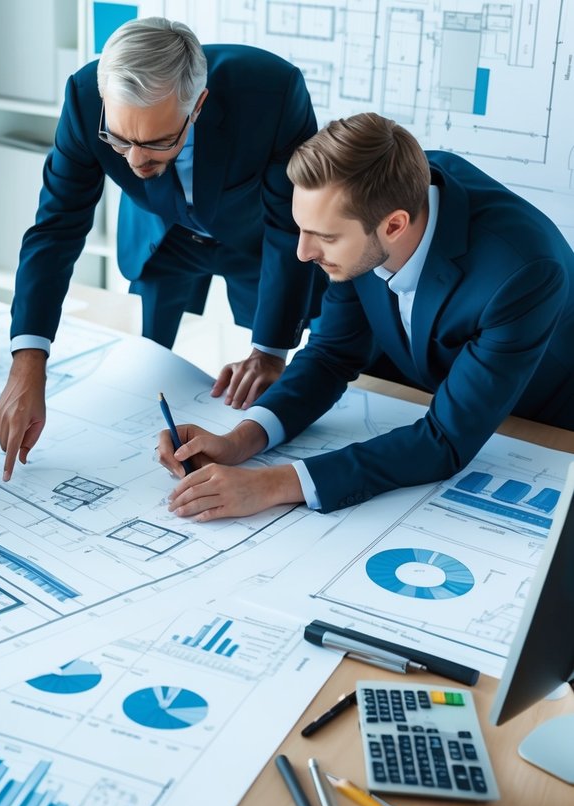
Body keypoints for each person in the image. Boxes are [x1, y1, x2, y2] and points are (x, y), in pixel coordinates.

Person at [162, 113, 574, 519]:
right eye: (302, 228)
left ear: (395, 225)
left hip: (539, 422)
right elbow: (331, 355)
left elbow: (446, 440)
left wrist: (271, 484)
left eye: (324, 237)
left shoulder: (522, 272)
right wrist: (240, 441)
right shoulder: (372, 194)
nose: (303, 253)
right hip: (417, 387)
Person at [0, 17, 324, 480]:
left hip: (254, 242)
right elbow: (56, 228)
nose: (134, 161)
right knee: (150, 367)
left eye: (158, 142)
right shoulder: (85, 96)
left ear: (199, 105)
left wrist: (270, 351)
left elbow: (291, 224)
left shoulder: (272, 91)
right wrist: (28, 361)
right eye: (120, 139)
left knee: (257, 381)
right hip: (162, 236)